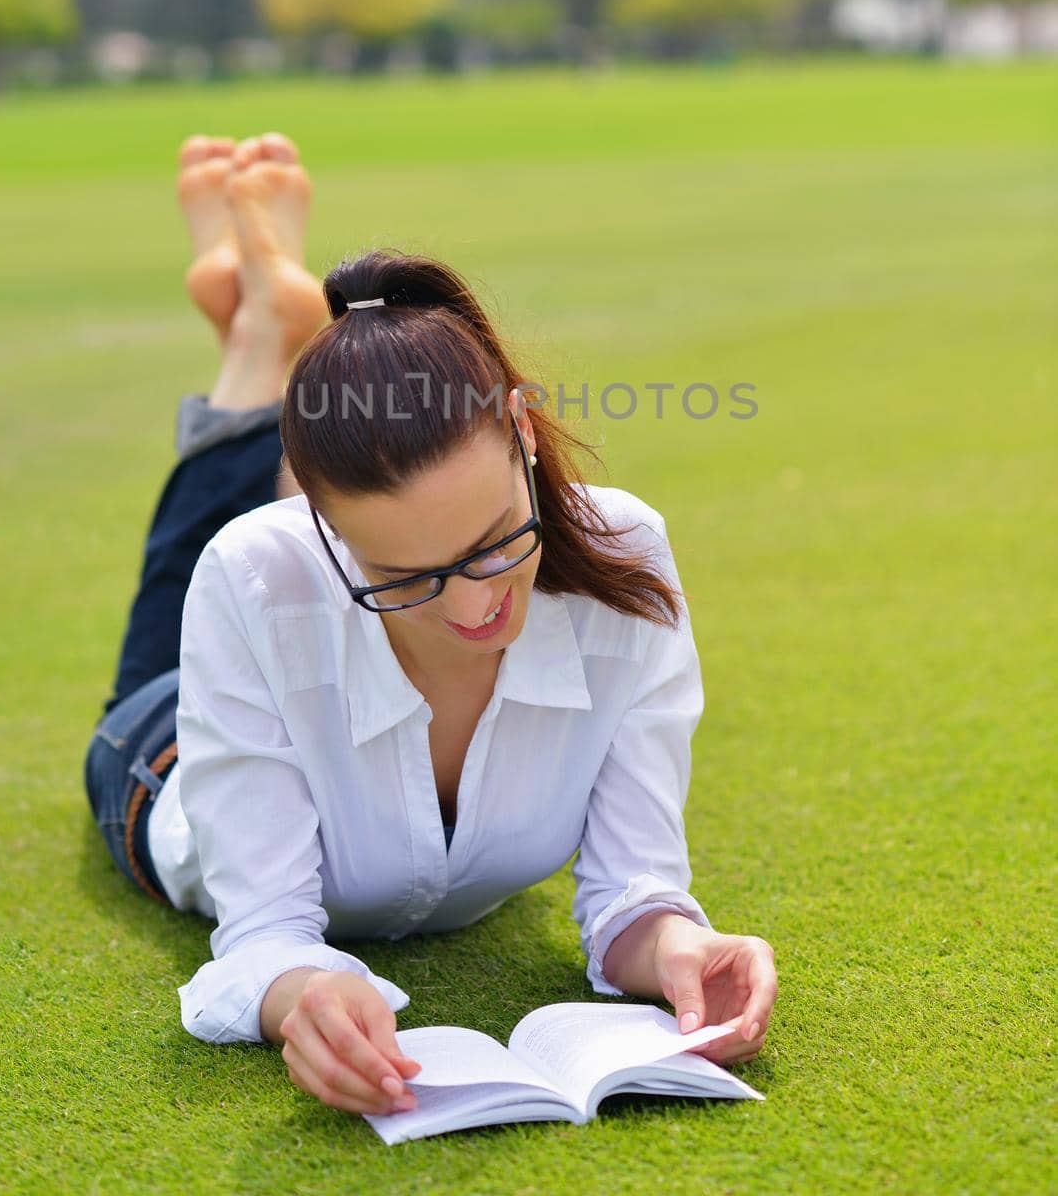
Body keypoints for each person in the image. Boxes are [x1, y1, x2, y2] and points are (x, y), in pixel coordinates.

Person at [84, 131, 778, 1121]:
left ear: (525, 434)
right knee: (198, 573)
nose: (471, 607)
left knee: (259, 553)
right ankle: (256, 349)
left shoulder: (629, 563)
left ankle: (265, 334)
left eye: (496, 542)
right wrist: (298, 998)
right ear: (321, 526)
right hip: (158, 757)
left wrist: (679, 948)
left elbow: (635, 888)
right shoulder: (265, 568)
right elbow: (267, 928)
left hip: (296, 571)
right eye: (404, 576)